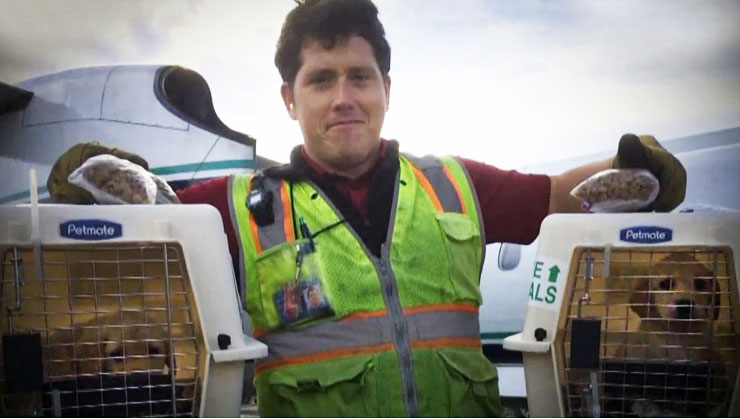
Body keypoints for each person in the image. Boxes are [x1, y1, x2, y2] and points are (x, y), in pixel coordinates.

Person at [48, 0, 686, 416]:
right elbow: (149, 219)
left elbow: (559, 197)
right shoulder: (234, 206)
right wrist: (96, 178)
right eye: (321, 80)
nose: (344, 97)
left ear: (387, 89)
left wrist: (635, 169)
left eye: (360, 76)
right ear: (289, 100)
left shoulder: (458, 182)